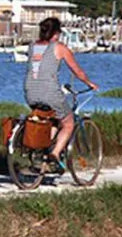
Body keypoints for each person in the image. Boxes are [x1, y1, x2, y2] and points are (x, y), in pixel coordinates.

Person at [24, 17, 98, 170]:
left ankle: (43, 151)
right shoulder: (59, 47)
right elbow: (77, 71)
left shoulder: (32, 46)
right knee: (69, 122)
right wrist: (90, 84)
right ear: (56, 33)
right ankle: (55, 153)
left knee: (52, 118)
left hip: (30, 92)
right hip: (50, 93)